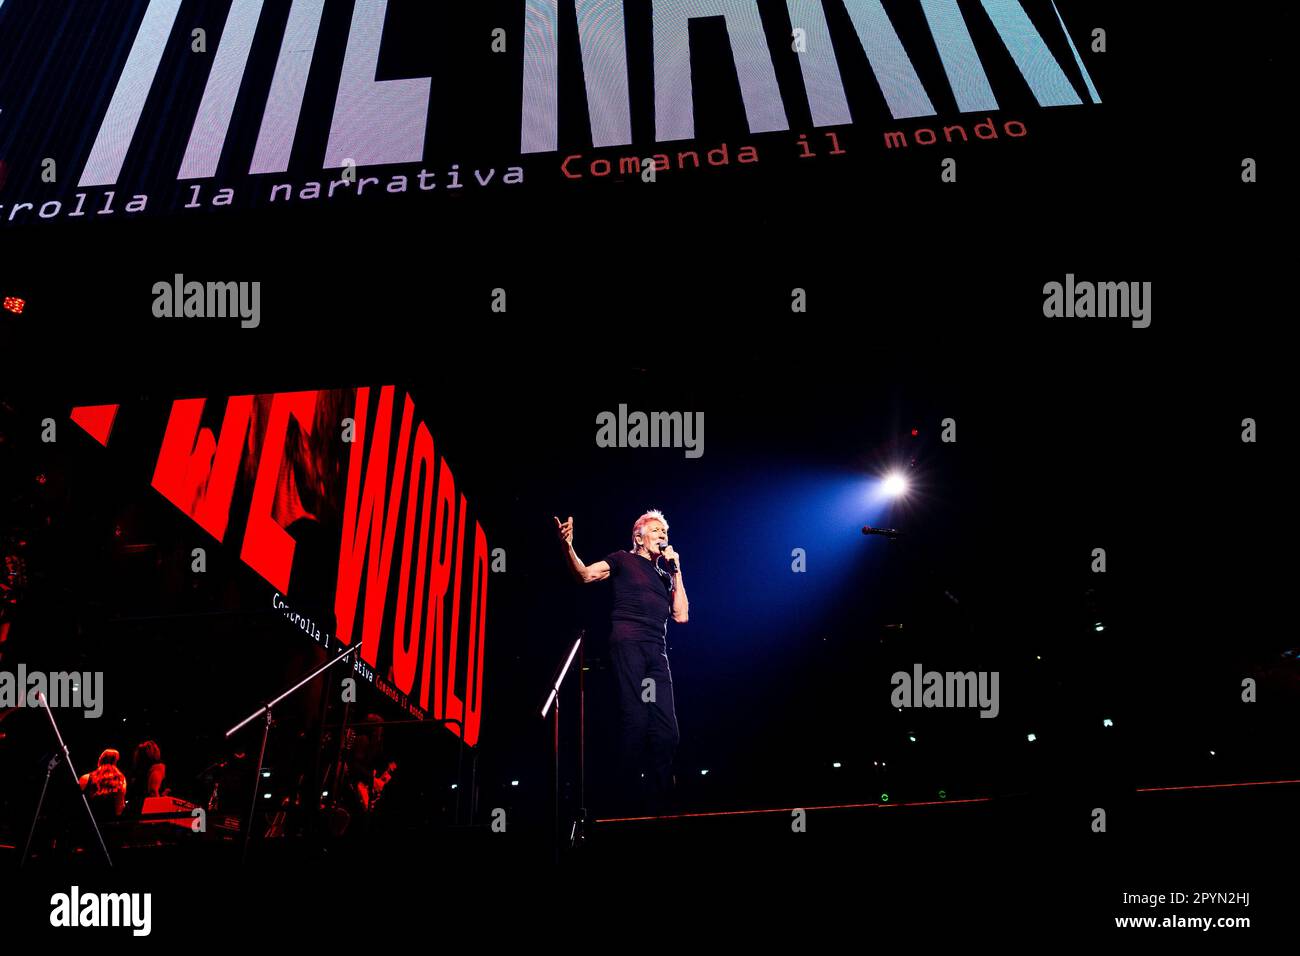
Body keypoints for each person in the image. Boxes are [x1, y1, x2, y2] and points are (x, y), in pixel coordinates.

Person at [556, 509, 689, 815]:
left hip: (656, 652)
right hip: (628, 643)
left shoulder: (665, 575)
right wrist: (568, 546)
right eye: (656, 531)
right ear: (638, 537)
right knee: (636, 721)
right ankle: (622, 800)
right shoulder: (622, 559)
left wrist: (677, 571)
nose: (662, 536)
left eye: (665, 533)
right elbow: (585, 574)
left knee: (667, 731)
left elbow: (681, 615)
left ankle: (659, 801)